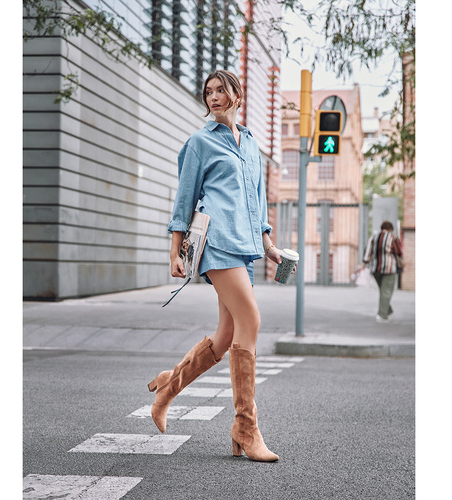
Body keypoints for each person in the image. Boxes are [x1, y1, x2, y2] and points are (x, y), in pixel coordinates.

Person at [148, 69, 295, 462]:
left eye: (220, 90)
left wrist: (268, 244)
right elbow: (184, 200)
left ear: (237, 93)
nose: (213, 97)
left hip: (245, 247)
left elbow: (257, 200)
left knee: (227, 334)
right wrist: (175, 251)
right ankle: (246, 429)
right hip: (216, 244)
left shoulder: (249, 143)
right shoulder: (199, 143)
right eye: (208, 92)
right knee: (252, 321)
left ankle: (168, 386)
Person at [361, 220, 403, 323]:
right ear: (390, 229)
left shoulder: (373, 238)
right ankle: (382, 315)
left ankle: (387, 311)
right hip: (389, 269)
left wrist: (364, 264)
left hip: (376, 269)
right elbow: (399, 252)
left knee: (384, 292)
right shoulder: (393, 238)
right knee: (386, 292)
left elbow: (367, 253)